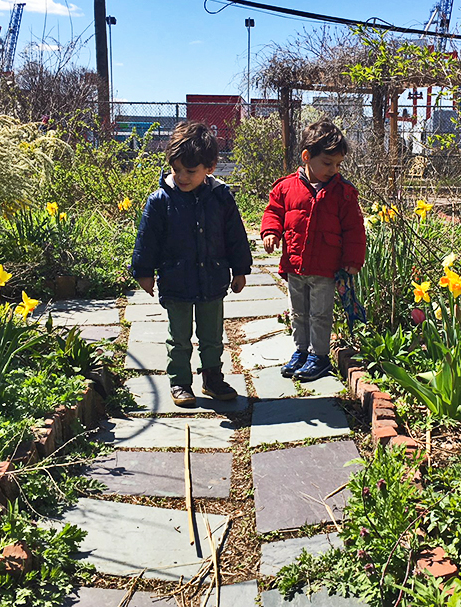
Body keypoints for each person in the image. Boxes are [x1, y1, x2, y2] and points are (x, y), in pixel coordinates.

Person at [130, 121, 252, 407]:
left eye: (190, 171)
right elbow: (147, 238)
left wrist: (241, 269)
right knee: (179, 337)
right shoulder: (160, 201)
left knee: (212, 335)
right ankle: (180, 382)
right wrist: (144, 272)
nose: (182, 177)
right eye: (176, 170)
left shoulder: (221, 198)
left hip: (212, 279)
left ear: (209, 168)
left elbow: (235, 236)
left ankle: (213, 378)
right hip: (176, 281)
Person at [260, 120, 366, 382]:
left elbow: (354, 228)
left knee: (320, 314)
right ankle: (301, 351)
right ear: (307, 157)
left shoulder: (343, 193)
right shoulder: (286, 187)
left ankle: (319, 356)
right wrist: (271, 231)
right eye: (328, 163)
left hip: (325, 267)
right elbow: (274, 211)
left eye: (338, 164)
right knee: (298, 312)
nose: (334, 170)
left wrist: (352, 260)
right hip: (295, 264)